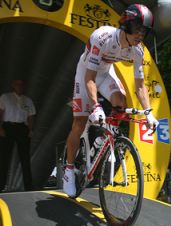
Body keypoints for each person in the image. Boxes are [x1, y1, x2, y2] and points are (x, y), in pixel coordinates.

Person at [63, 4, 159, 197]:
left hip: (105, 73)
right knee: (79, 122)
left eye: (145, 31)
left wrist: (149, 113)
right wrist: (96, 105)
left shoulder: (137, 50)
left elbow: (140, 86)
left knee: (120, 101)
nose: (141, 35)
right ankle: (68, 169)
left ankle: (103, 135)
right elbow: (89, 78)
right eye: (138, 29)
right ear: (126, 25)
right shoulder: (102, 37)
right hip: (85, 74)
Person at [0, 79, 36, 192]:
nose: (20, 86)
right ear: (13, 85)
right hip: (8, 127)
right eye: (17, 84)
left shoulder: (28, 100)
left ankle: (29, 186)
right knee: (4, 157)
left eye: (22, 84)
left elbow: (31, 116)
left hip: (22, 128)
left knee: (25, 158)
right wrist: (0, 128)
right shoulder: (5, 97)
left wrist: (30, 130)